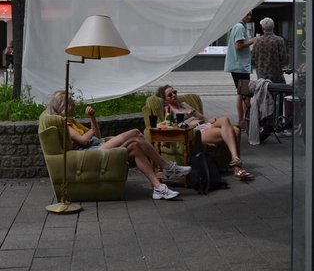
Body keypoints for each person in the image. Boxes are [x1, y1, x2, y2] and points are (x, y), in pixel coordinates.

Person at [45, 90, 191, 200]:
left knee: (135, 146)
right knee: (135, 132)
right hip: (90, 151)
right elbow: (83, 140)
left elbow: (97, 135)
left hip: (96, 144)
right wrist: (90, 131)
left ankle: (158, 187)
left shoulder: (71, 120)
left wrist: (93, 117)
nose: (73, 106)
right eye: (70, 104)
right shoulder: (63, 123)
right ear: (62, 106)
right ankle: (168, 167)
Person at [156, 85, 254, 181]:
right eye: (170, 95)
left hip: (205, 124)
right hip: (197, 131)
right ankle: (238, 168)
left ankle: (235, 162)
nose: (174, 95)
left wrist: (213, 120)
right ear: (165, 100)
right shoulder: (168, 109)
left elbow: (204, 118)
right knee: (234, 131)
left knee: (225, 119)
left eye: (175, 92)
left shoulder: (184, 104)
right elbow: (169, 124)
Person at [224, 12, 256, 129]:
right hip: (240, 66)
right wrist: (253, 40)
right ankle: (244, 121)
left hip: (239, 66)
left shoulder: (238, 26)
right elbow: (239, 45)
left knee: (241, 93)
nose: (250, 17)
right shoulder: (239, 27)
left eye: (251, 14)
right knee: (245, 94)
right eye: (247, 14)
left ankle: (242, 121)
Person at [252, 17, 288, 83]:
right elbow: (284, 58)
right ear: (273, 27)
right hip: (276, 75)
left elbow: (253, 58)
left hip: (261, 76)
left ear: (263, 28)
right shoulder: (279, 40)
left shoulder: (257, 41)